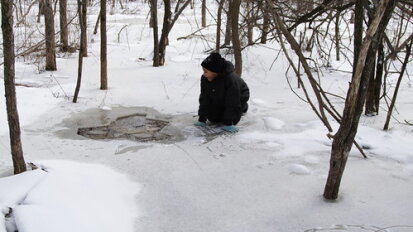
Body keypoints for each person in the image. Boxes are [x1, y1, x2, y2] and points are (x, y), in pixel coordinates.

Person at [194, 53, 250, 133]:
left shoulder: (231, 80)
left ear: (215, 72)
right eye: (203, 71)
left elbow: (233, 101)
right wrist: (202, 118)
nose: (203, 74)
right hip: (219, 96)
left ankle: (243, 107)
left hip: (239, 96)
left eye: (206, 71)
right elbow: (204, 98)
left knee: (231, 118)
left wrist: (228, 123)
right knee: (214, 119)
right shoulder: (205, 78)